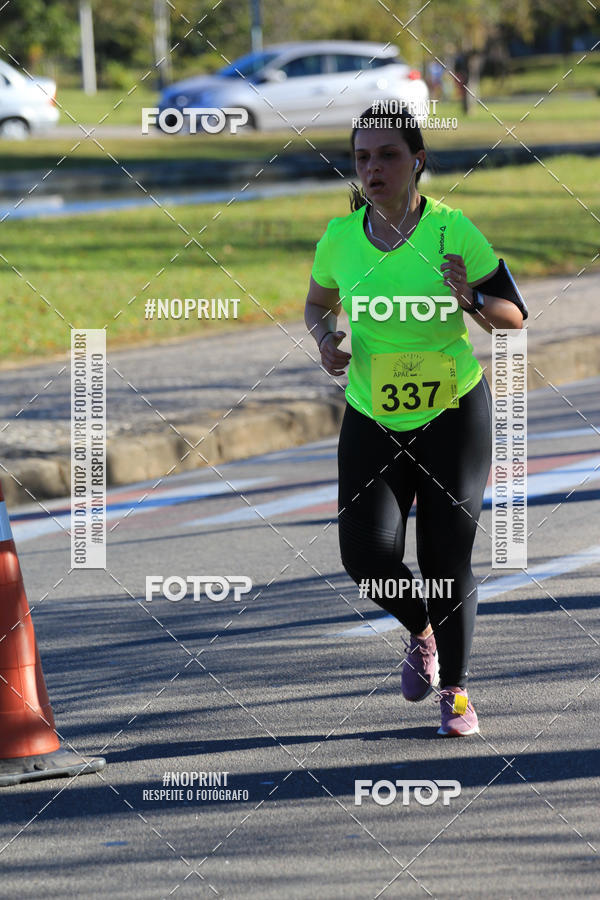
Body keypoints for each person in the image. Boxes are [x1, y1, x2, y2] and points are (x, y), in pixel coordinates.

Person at [304, 105, 527, 737]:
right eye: (363, 158)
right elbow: (317, 303)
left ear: (418, 161)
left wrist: (473, 299)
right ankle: (421, 629)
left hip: (453, 411)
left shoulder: (453, 231)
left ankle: (456, 692)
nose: (373, 169)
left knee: (444, 558)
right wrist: (325, 339)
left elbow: (513, 317)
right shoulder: (339, 238)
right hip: (373, 413)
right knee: (365, 557)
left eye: (388, 156)